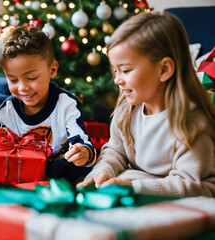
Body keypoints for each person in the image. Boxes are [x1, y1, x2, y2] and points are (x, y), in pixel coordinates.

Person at [77, 12, 215, 197]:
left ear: (164, 69)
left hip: (182, 201)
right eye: (115, 70)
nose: (117, 80)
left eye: (125, 70)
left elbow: (190, 183)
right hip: (134, 191)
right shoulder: (126, 109)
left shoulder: (192, 123)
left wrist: (135, 187)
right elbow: (115, 151)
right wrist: (101, 172)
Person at [0, 26, 96, 184]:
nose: (22, 87)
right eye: (13, 80)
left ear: (52, 70)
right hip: (21, 174)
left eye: (31, 78)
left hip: (60, 173)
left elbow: (81, 140)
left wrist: (84, 152)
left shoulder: (66, 104)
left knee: (75, 167)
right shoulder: (6, 111)